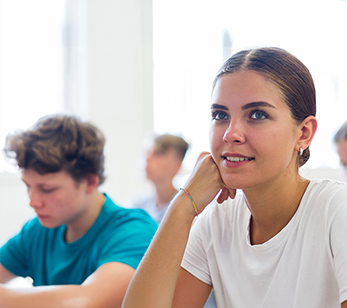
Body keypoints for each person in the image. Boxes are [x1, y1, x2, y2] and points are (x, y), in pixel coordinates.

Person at [121, 47, 347, 308]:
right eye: (220, 115)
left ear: (304, 133)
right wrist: (184, 205)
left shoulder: (336, 209)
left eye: (257, 114)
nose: (231, 134)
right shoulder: (217, 220)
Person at [0, 114, 157, 308]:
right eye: (28, 186)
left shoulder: (135, 232)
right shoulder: (37, 231)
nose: (33, 202)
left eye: (47, 189)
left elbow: (88, 301)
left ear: (90, 182)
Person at [131, 133, 189, 224]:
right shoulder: (136, 205)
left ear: (177, 165)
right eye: (147, 153)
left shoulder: (186, 207)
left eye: (157, 154)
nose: (147, 159)